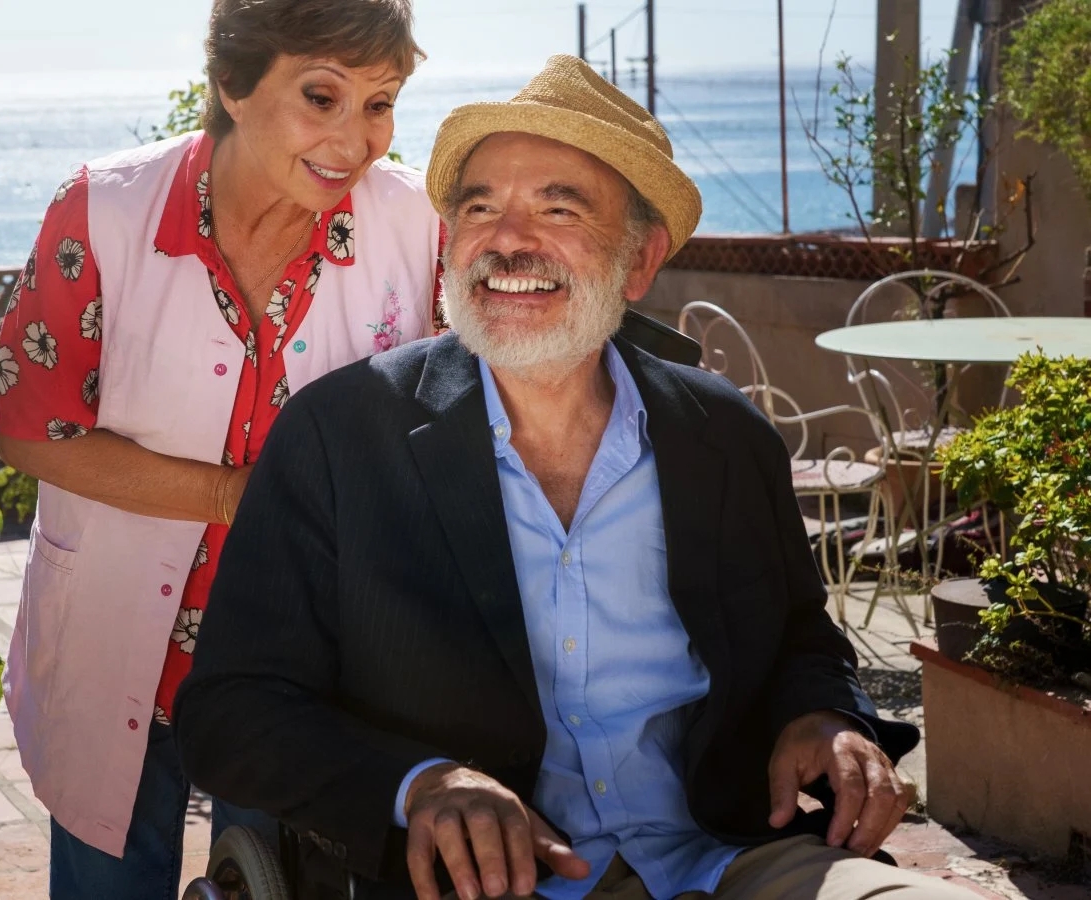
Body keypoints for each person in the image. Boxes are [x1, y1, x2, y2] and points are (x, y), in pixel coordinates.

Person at [174, 56, 972, 900]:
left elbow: (800, 640)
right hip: (478, 884)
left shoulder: (726, 438)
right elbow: (231, 710)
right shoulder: (339, 436)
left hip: (728, 854)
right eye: (479, 207)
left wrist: (826, 720)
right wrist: (423, 784)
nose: (508, 239)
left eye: (558, 207)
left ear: (640, 259)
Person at [0, 1, 445, 896]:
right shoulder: (102, 211)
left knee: (280, 878)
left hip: (301, 658)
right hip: (117, 634)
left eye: (381, 104)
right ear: (231, 83)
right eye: (323, 96)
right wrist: (237, 494)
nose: (356, 141)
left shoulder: (414, 224)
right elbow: (30, 428)